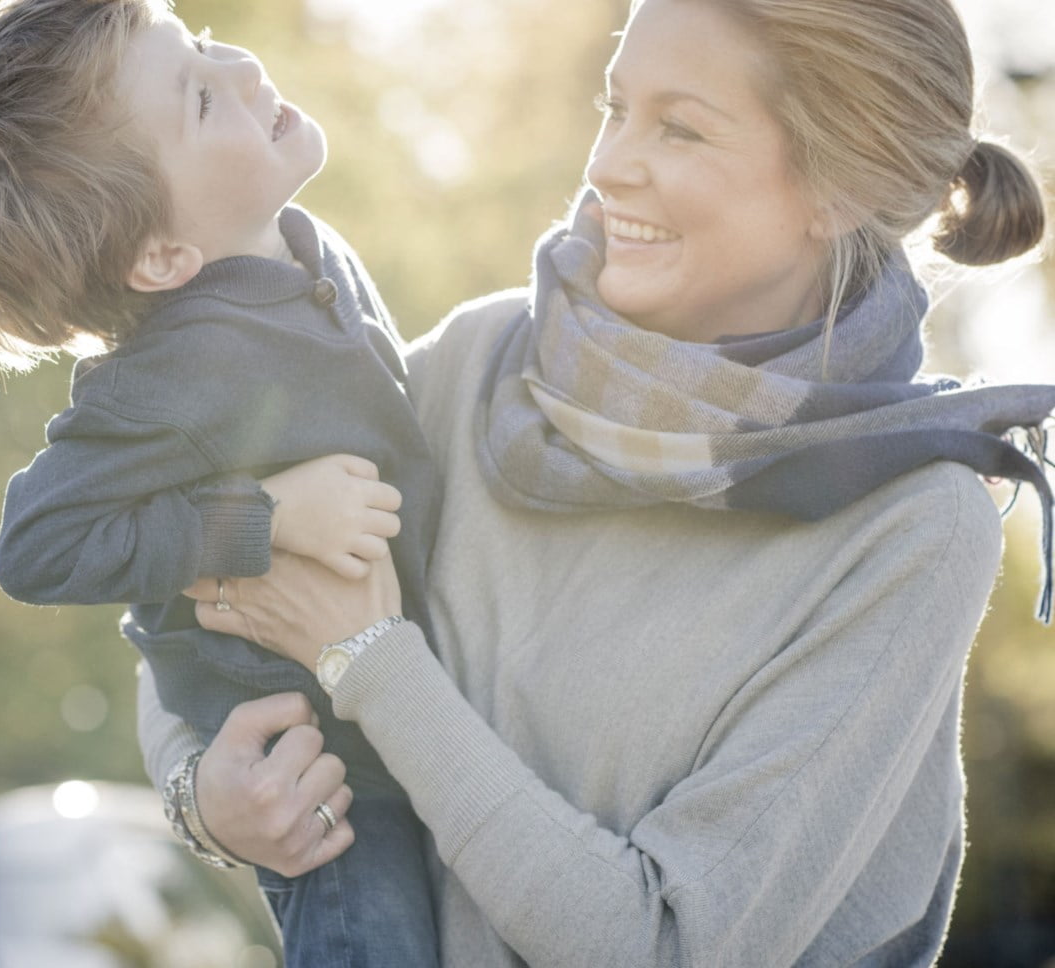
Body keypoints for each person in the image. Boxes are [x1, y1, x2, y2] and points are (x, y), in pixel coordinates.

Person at [139, 0, 1055, 964]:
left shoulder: (913, 524)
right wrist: (202, 798)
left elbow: (666, 946)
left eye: (680, 128)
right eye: (614, 109)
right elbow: (196, 606)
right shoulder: (480, 362)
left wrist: (370, 660)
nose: (608, 165)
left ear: (841, 186)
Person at [0, 0, 441, 964]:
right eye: (200, 99)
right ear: (162, 257)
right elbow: (39, 545)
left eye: (198, 41)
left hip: (412, 717)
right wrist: (268, 517)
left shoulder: (305, 247)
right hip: (319, 785)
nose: (242, 67)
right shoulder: (169, 371)